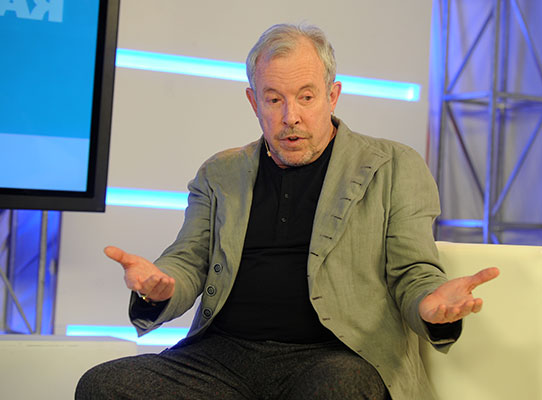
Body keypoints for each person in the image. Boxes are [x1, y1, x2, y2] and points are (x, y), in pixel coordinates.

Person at [76, 23, 499, 399]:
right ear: (253, 101)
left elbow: (413, 272)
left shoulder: (393, 166)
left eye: (306, 97)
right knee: (104, 385)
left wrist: (429, 304)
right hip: (223, 358)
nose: (289, 116)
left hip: (335, 356)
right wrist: (158, 288)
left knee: (338, 389)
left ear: (332, 96)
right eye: (273, 99)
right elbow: (187, 261)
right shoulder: (220, 172)